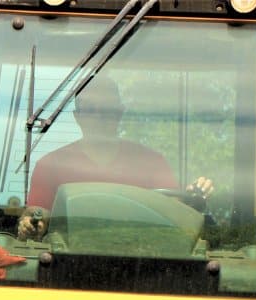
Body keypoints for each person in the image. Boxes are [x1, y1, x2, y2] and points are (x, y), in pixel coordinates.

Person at [19, 75, 213, 240]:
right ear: (78, 117)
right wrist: (32, 224)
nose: (99, 117)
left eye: (107, 109)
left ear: (119, 113)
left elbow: (174, 215)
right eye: (90, 110)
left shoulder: (152, 162)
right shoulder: (50, 166)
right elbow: (38, 214)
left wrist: (191, 200)